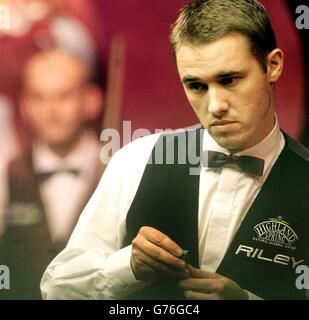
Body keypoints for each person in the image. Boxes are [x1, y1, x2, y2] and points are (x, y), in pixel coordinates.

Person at [41, 0, 309, 300]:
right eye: (197, 86)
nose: (216, 106)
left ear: (272, 65)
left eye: (229, 80)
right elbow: (57, 289)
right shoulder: (136, 160)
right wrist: (127, 267)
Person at [0, 48, 103, 299]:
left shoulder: (120, 169)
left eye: (63, 96)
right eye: (39, 97)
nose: (51, 109)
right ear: (24, 105)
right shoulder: (5, 174)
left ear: (92, 100)